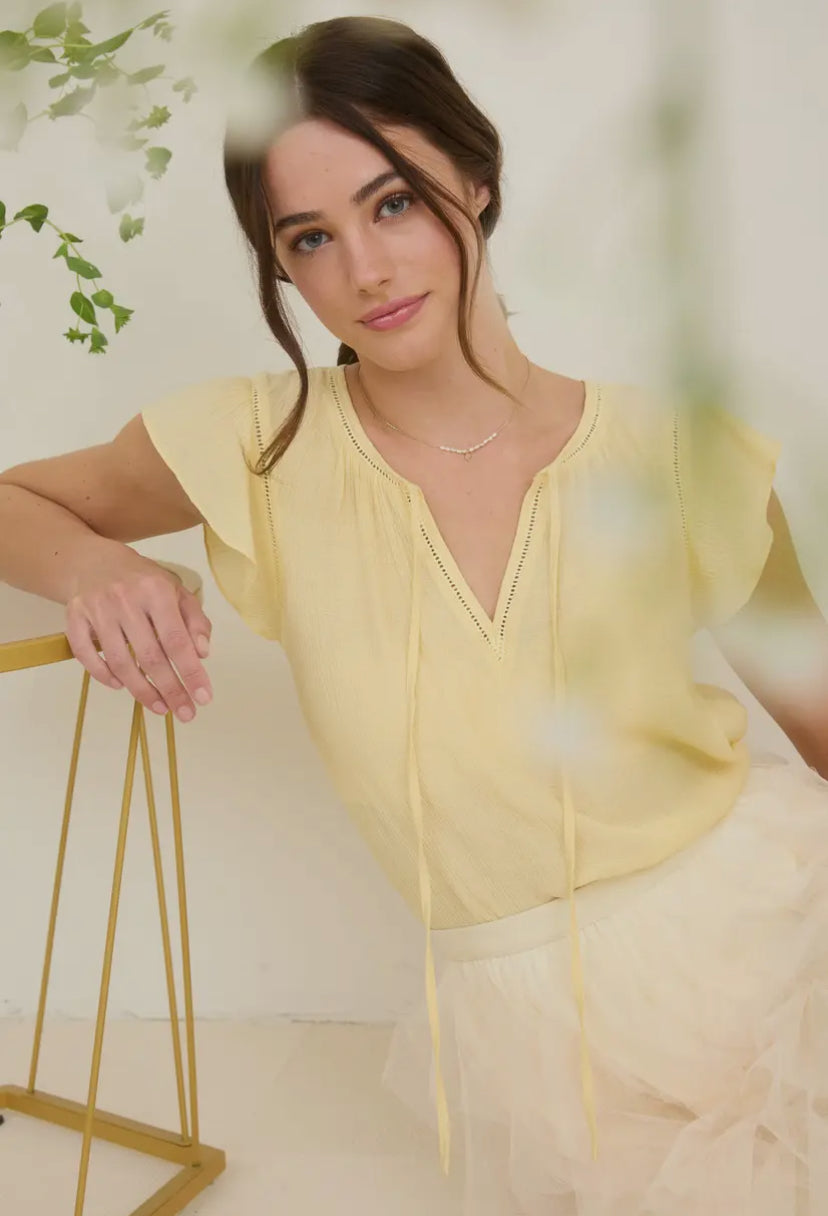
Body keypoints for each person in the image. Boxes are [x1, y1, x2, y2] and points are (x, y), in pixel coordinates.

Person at [2, 15, 828, 1215]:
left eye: (393, 203)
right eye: (310, 237)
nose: (367, 270)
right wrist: (93, 567)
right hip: (538, 1035)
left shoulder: (677, 453)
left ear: (475, 179)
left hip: (770, 935)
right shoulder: (256, 444)